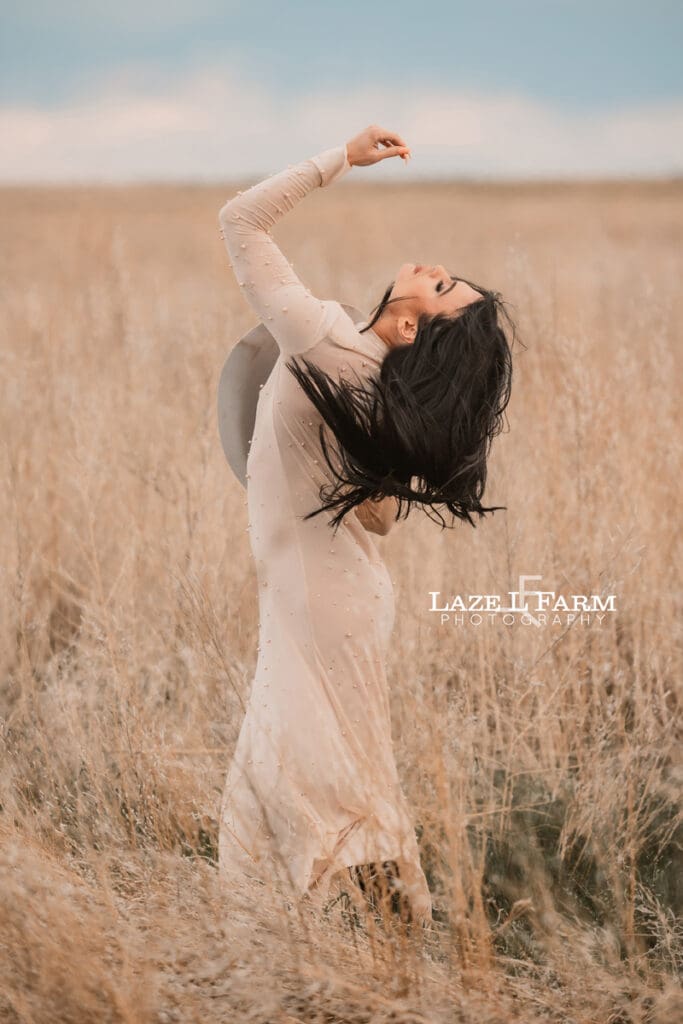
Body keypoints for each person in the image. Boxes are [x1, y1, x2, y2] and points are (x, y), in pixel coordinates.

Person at [217, 124, 515, 927]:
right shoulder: (372, 386)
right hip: (340, 603)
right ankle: (314, 951)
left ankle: (385, 950)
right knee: (302, 779)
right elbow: (379, 523)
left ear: (416, 327)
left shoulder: (323, 341)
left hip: (318, 608)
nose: (436, 271)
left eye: (445, 287)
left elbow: (239, 221)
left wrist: (339, 160)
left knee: (320, 788)